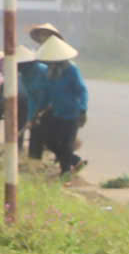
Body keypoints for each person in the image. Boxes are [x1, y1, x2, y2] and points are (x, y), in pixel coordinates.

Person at [31, 36, 88, 178]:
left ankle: (65, 173)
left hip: (72, 114)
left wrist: (83, 109)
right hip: (57, 113)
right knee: (49, 141)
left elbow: (82, 90)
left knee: (66, 144)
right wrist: (38, 111)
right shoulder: (49, 73)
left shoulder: (71, 70)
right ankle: (75, 161)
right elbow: (46, 94)